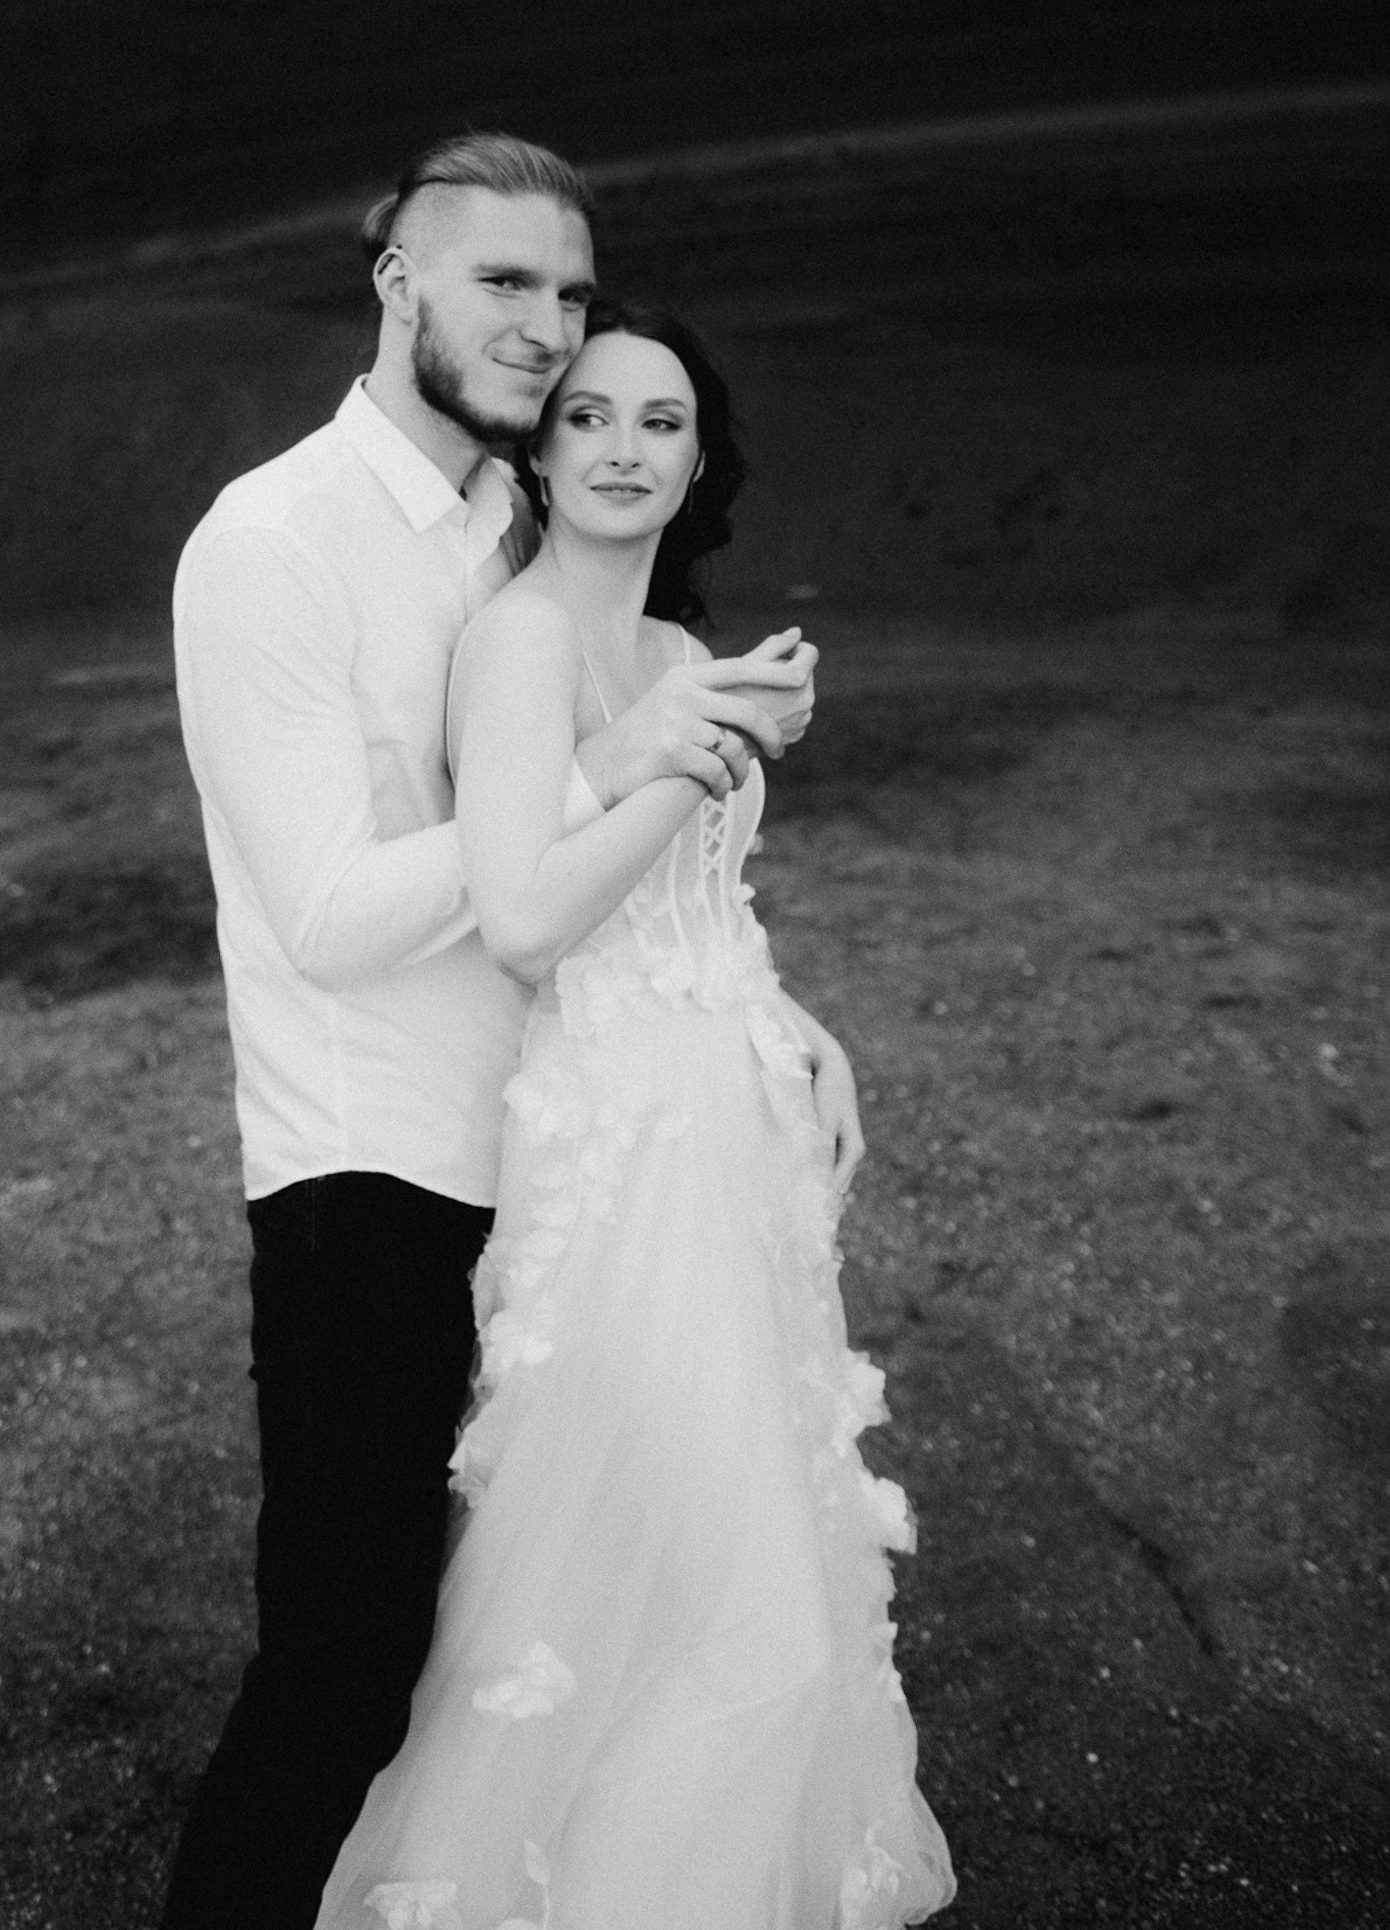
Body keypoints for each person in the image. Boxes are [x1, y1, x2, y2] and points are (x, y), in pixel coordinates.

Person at [162, 135, 826, 1930]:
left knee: (536, 1631)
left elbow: (609, 872)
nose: (544, 324)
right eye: (502, 282)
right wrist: (606, 770)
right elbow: (322, 913)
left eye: (568, 291)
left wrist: (760, 1009)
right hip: (370, 1165)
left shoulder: (502, 525)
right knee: (345, 1656)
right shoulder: (271, 542)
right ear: (398, 280)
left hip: (556, 1151)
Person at [313, 301, 956, 1930]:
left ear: (696, 461)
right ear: (537, 451)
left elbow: (693, 907)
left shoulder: (675, 651)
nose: (619, 447)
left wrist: (795, 1025)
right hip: (616, 1147)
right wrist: (700, 753)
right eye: (586, 416)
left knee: (716, 1554)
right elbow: (528, 921)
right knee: (732, 1590)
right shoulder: (519, 641)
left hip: (728, 1131)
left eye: (658, 422)